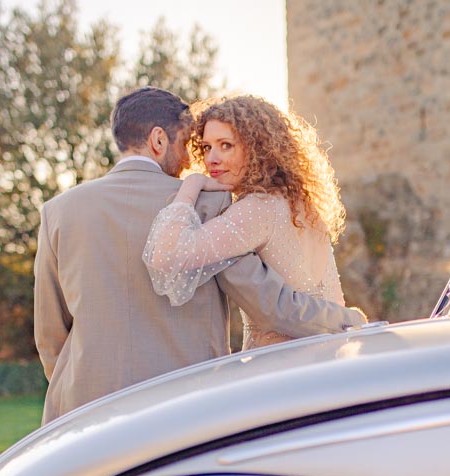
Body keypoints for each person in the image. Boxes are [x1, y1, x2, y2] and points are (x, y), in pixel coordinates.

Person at [34, 87, 365, 423]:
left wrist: (78, 380)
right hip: (184, 405)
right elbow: (267, 302)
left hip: (80, 410)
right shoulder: (208, 204)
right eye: (190, 145)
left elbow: (49, 333)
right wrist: (347, 318)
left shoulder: (58, 211)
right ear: (159, 141)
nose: (195, 161)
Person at [143, 95, 360, 350]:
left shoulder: (257, 208)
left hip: (279, 367)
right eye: (206, 147)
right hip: (330, 354)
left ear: (258, 147)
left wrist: (189, 188)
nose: (211, 159)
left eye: (226, 145)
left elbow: (167, 255)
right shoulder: (299, 203)